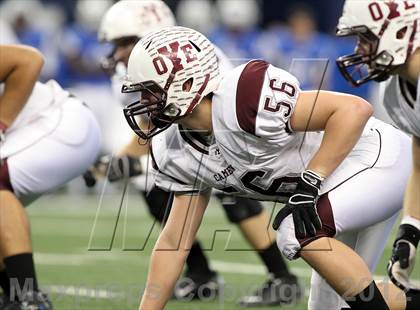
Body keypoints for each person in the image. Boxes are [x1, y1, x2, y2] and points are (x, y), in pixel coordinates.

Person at [121, 26, 420, 309]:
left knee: (294, 230)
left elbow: (353, 110)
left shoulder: (243, 98)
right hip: (338, 192)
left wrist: (311, 180)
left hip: (377, 160)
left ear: (186, 83)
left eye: (150, 91)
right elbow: (175, 242)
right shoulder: (175, 150)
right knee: (333, 305)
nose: (144, 102)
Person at [95, 0, 301, 305]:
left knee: (233, 194)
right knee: (153, 187)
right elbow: (148, 129)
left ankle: (282, 277)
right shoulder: (131, 75)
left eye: (127, 42)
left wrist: (134, 163)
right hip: (184, 141)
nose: (120, 52)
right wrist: (118, 162)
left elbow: (209, 116)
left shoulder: (192, 58)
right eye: (118, 43)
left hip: (226, 136)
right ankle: (201, 273)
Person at [0, 44, 101, 309]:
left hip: (60, 122)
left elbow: (29, 60)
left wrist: (0, 124)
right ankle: (14, 295)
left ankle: (27, 297)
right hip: (35, 136)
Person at [336, 0, 420, 295]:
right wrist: (410, 231)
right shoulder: (394, 91)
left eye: (367, 37)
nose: (359, 49)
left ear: (400, 32)